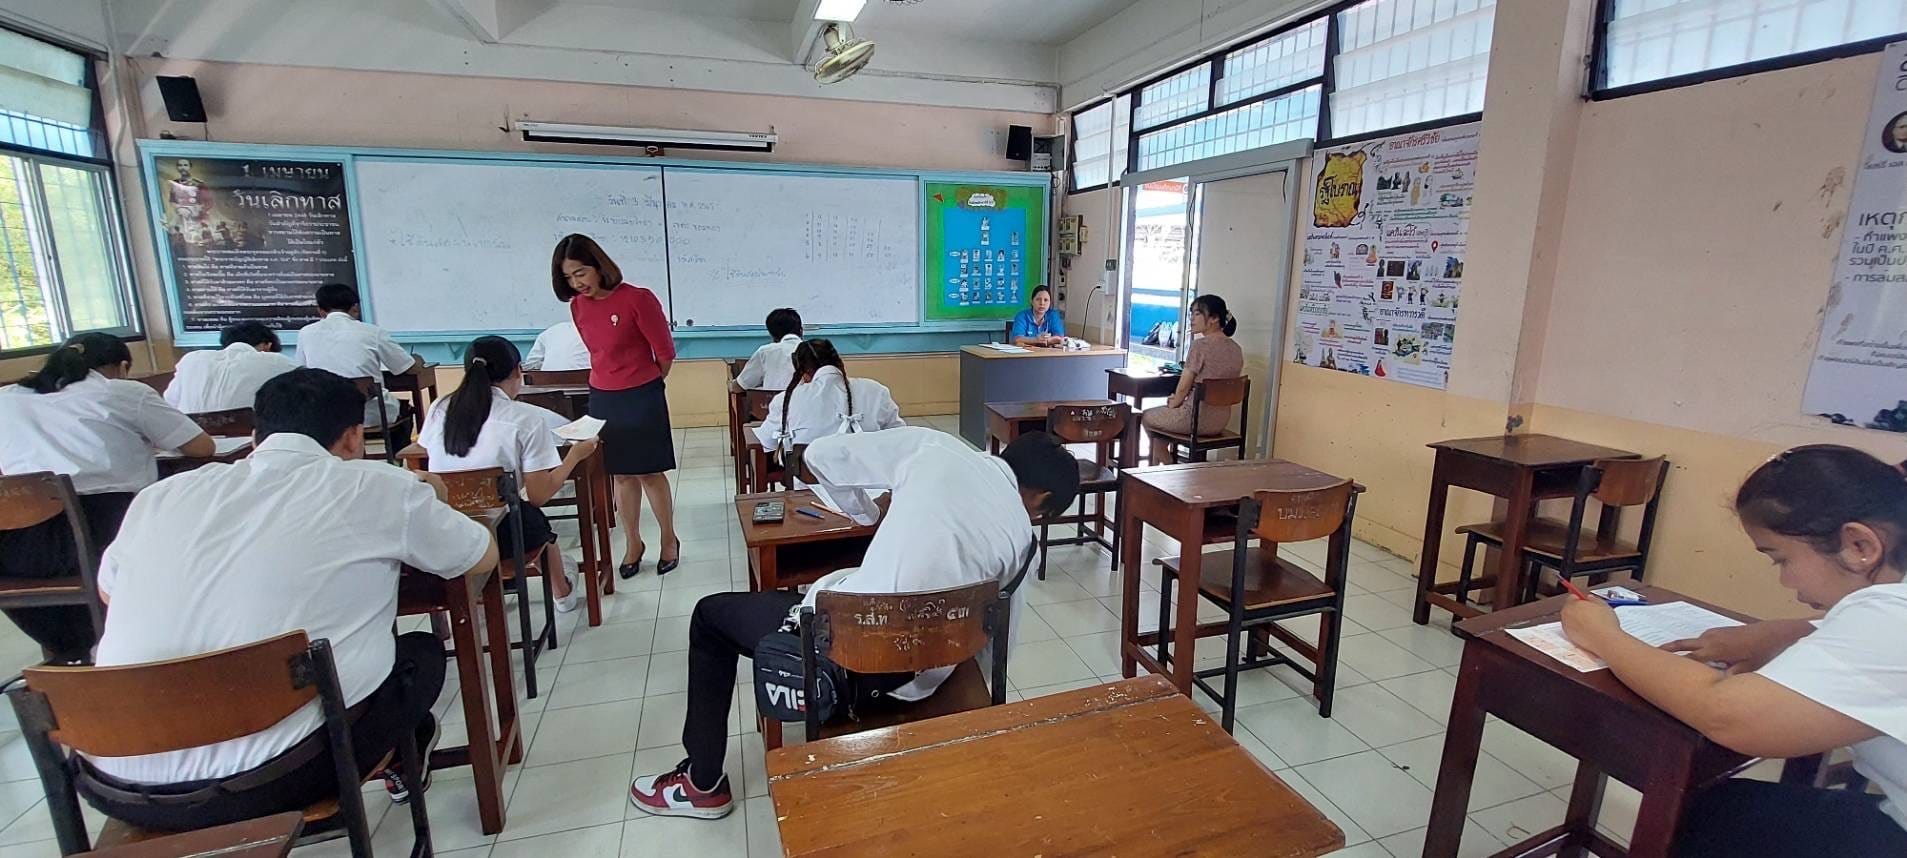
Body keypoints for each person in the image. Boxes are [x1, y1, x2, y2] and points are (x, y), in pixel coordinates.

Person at [83, 369, 497, 827]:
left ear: (256, 436)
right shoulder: (376, 486)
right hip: (273, 780)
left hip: (118, 783)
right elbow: (478, 555)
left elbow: (108, 592)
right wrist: (432, 495)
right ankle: (401, 754)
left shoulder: (160, 496)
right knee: (419, 655)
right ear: (353, 438)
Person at [628, 427, 1080, 819]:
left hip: (842, 658)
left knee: (709, 617)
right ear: (1040, 500)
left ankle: (702, 783)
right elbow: (1000, 644)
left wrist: (865, 513)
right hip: (919, 677)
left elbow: (820, 455)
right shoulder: (1024, 542)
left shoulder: (936, 448)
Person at [1559, 445, 1907, 857]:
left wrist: (1604, 637)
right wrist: (1777, 635)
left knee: (1708, 819)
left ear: (1860, 546)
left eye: (1780, 560)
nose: (1785, 582)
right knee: (1722, 809)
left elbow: (1727, 716)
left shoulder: (1890, 617)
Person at [0, 333, 214, 664]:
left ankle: (70, 653)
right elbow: (202, 447)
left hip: (18, 547)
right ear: (122, 367)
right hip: (109, 531)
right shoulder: (123, 392)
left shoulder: (6, 399)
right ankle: (119, 646)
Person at [419, 336, 600, 614]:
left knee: (521, 514)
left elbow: (427, 452)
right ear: (518, 371)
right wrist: (574, 456)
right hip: (503, 536)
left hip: (446, 528)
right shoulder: (525, 419)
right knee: (533, 520)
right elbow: (539, 495)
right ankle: (562, 594)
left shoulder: (439, 408)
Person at [552, 233, 680, 579]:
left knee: (649, 472)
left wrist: (645, 382)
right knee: (620, 474)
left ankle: (669, 539)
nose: (577, 283)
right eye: (568, 277)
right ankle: (633, 542)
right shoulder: (578, 306)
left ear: (599, 266)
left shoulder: (638, 299)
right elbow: (598, 352)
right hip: (603, 396)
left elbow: (665, 353)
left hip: (642, 393)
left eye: (581, 273)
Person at [296, 283, 421, 440]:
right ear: (355, 307)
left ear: (320, 311)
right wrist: (416, 360)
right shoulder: (372, 332)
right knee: (405, 410)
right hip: (369, 414)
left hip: (325, 416)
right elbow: (408, 368)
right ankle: (394, 454)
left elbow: (301, 371)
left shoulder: (305, 333)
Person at [1140, 294, 1243, 465]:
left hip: (1193, 419)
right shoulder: (1236, 349)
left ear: (1214, 319)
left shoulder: (1200, 346)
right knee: (1162, 425)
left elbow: (1183, 388)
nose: (1192, 319)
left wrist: (1174, 402)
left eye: (1197, 314)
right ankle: (1164, 465)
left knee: (1146, 417)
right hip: (1220, 421)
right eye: (1191, 314)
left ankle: (1168, 464)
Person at [754, 338, 904, 455]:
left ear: (803, 373)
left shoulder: (787, 399)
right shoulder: (876, 391)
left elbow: (768, 442)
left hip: (810, 484)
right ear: (838, 362)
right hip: (871, 481)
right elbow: (899, 436)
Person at [164, 322, 299, 414]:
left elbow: (170, 401)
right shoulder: (276, 361)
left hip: (195, 439)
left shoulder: (191, 359)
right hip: (250, 439)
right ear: (267, 346)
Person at [731, 308, 803, 392]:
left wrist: (730, 384)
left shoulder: (765, 352)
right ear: (801, 331)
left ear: (772, 335)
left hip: (772, 399)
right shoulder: (814, 350)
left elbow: (740, 385)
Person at [524, 320, 591, 372]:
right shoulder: (591, 332)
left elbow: (530, 365)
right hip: (583, 381)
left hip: (546, 381)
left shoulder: (550, 331)